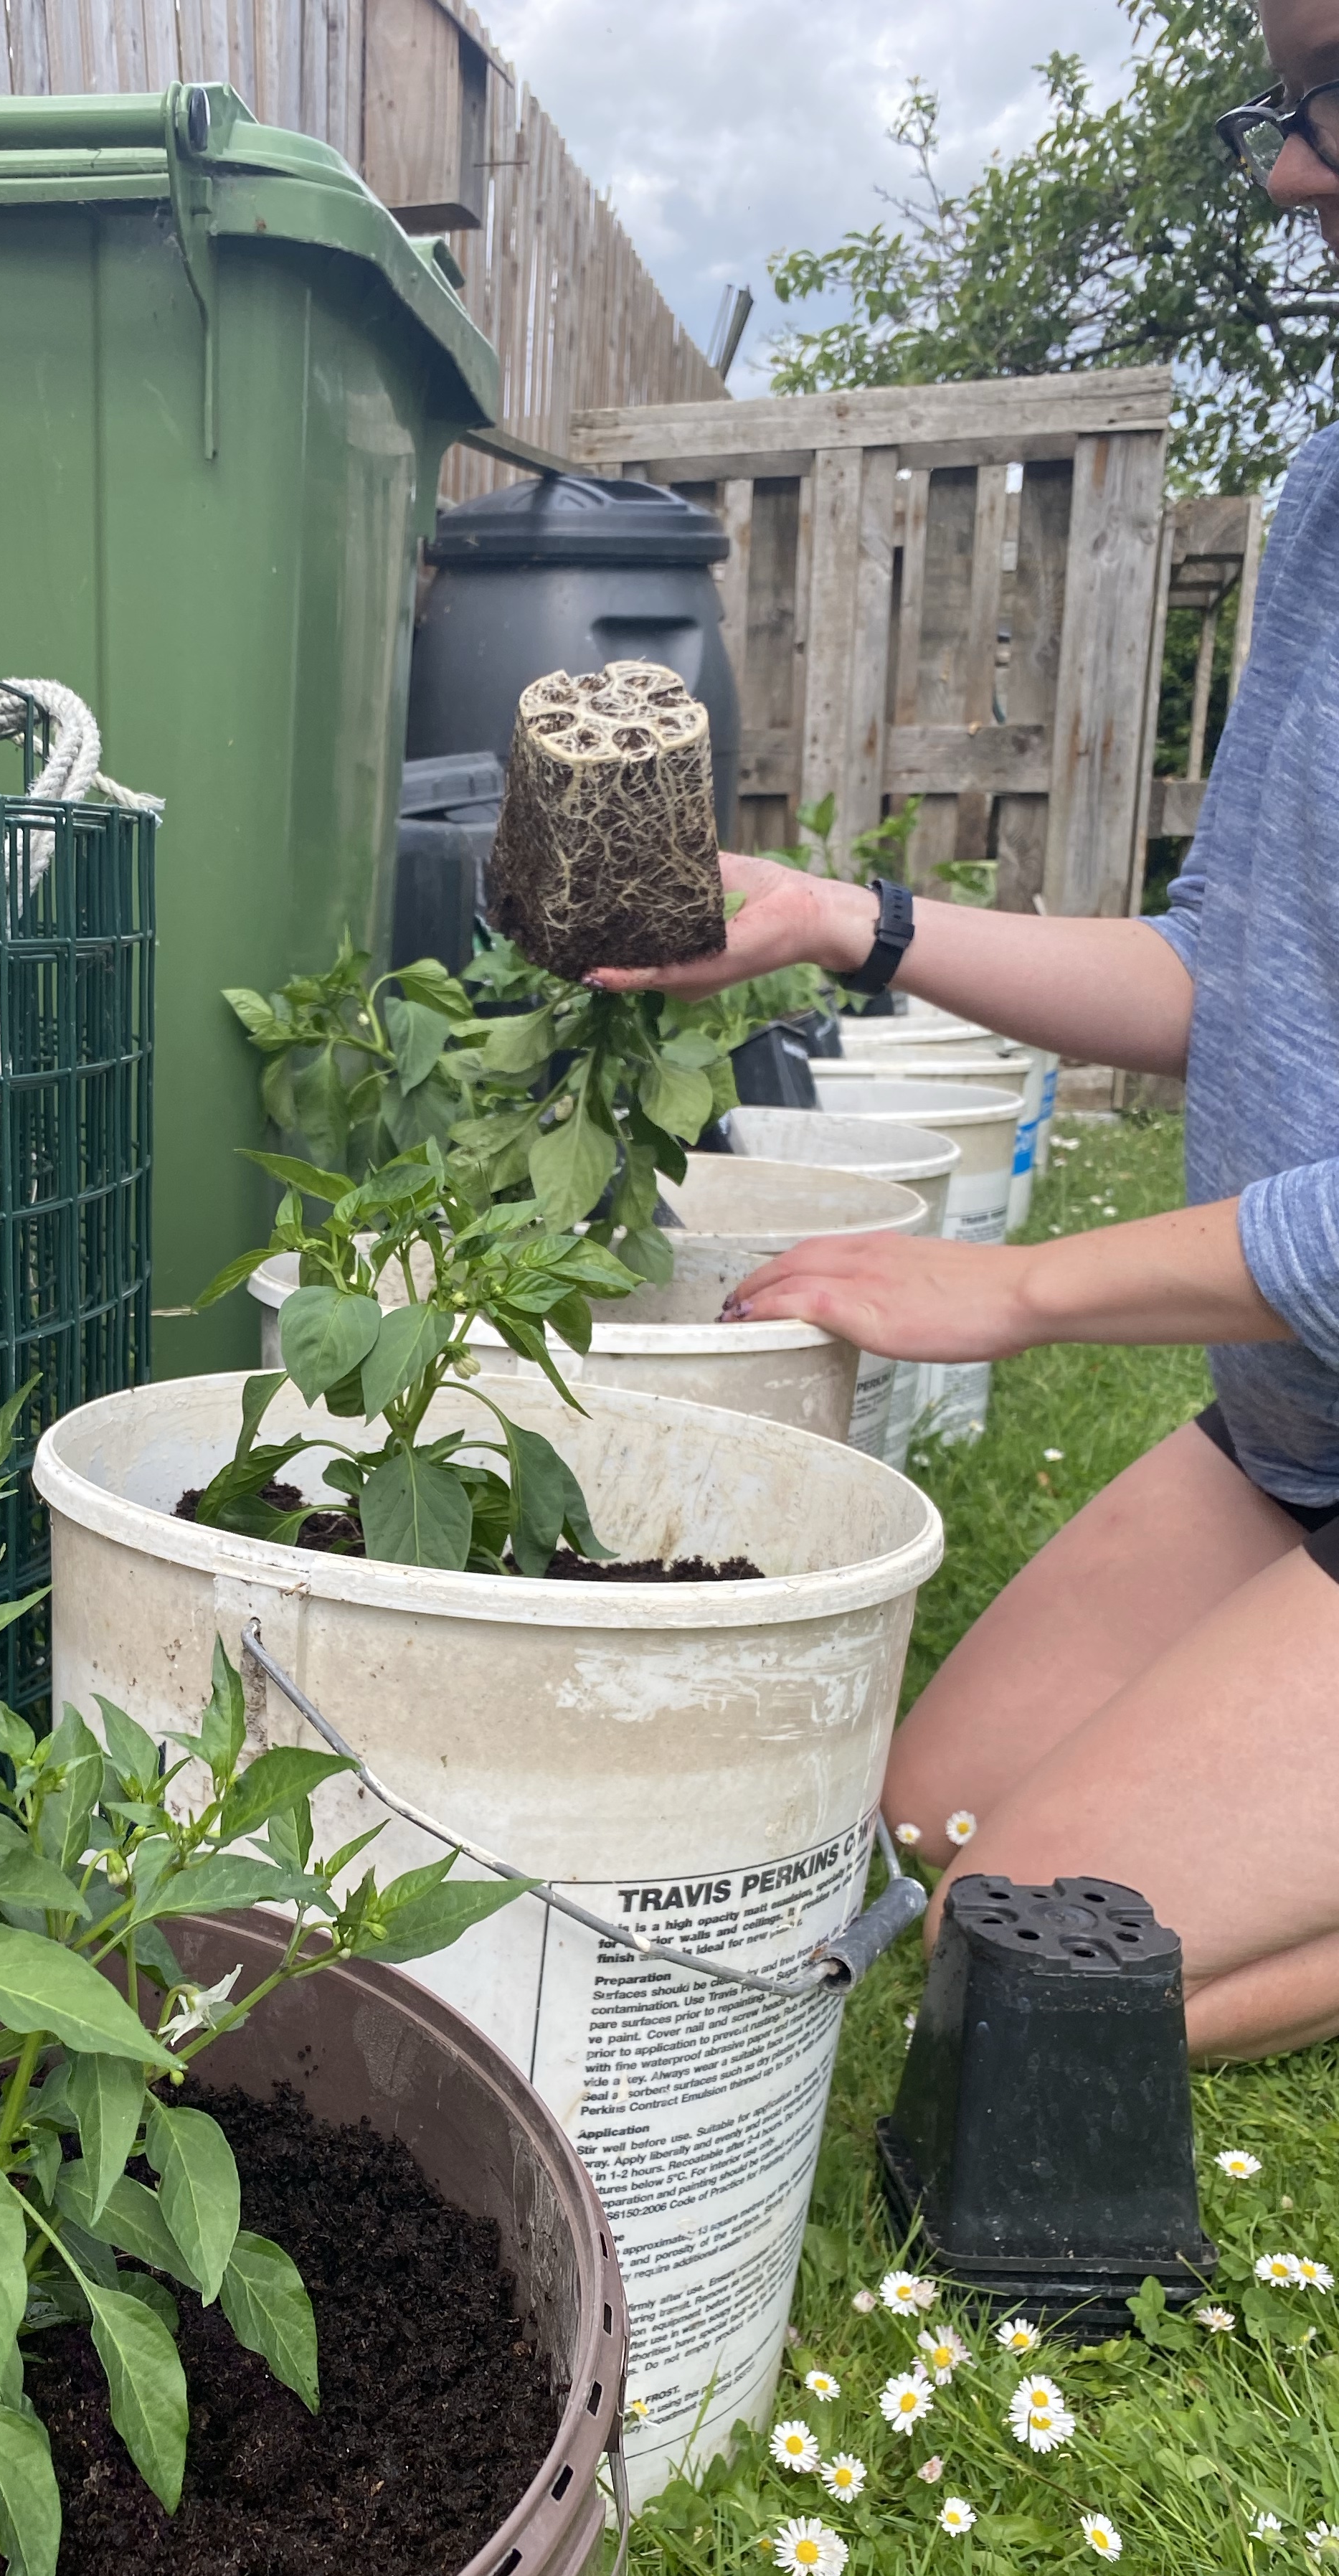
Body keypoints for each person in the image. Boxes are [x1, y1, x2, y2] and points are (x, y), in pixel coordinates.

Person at [583, 1, 1339, 2064]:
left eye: (1338, 90)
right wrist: (850, 920)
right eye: (1286, 103)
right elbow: (1222, 970)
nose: (1293, 168)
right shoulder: (1335, 496)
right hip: (1302, 1436)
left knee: (1029, 1958)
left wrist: (1016, 1292)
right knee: (924, 1825)